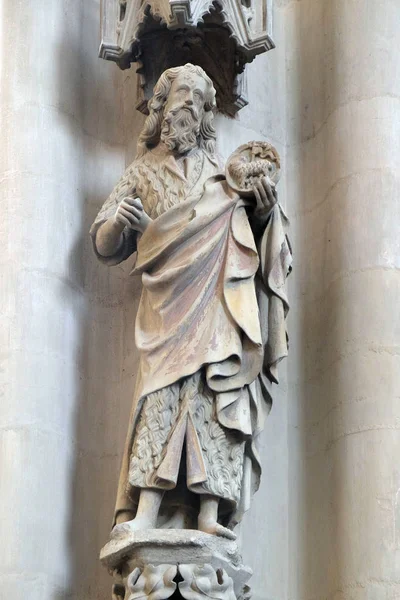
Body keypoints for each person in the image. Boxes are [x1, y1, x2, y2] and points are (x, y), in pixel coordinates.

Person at [90, 63, 291, 540]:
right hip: (165, 311)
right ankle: (145, 509)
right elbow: (103, 243)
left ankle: (208, 512)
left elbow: (249, 234)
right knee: (159, 401)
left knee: (209, 399)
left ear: (206, 117)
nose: (188, 107)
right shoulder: (140, 172)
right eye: (180, 97)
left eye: (198, 103)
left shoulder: (221, 177)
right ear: (161, 108)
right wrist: (120, 221)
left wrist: (262, 213)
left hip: (213, 308)